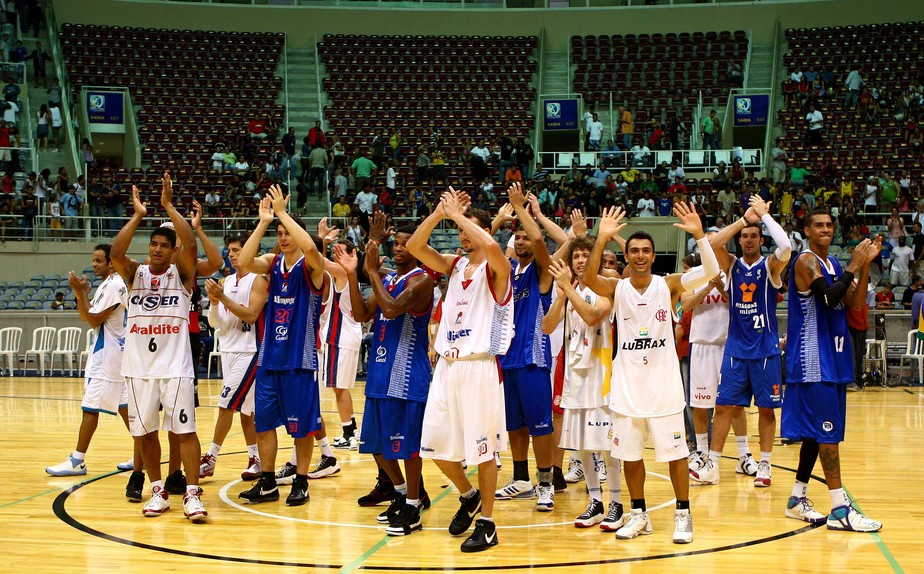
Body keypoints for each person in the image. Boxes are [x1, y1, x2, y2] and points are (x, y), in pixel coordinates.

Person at [583, 203, 720, 544]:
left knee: (675, 455)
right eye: (634, 251)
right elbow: (586, 278)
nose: (640, 256)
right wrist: (601, 238)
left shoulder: (669, 285)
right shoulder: (616, 288)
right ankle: (639, 514)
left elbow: (710, 270)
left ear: (654, 255)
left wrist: (700, 234)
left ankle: (683, 514)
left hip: (664, 389)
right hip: (628, 389)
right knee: (630, 456)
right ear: (626, 256)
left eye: (645, 251)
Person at [407, 188, 514, 552]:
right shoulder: (454, 266)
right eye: (461, 231)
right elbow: (416, 248)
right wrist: (440, 214)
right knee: (433, 447)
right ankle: (468, 496)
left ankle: (487, 522)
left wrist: (461, 217)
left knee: (484, 452)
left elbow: (496, 249)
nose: (463, 235)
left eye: (470, 230)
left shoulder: (498, 269)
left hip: (479, 366)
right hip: (448, 367)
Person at [110, 174, 207, 522]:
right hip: (138, 369)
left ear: (172, 250)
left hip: (175, 368)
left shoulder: (181, 276)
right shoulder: (134, 274)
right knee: (146, 432)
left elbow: (192, 248)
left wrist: (168, 205)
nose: (156, 249)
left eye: (164, 245)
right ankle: (157, 490)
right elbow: (116, 252)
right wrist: (137, 216)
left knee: (185, 431)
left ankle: (192, 495)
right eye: (153, 244)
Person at [336, 212, 435, 536]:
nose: (400, 248)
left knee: (406, 447)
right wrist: (354, 275)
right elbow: (362, 312)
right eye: (398, 244)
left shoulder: (422, 281)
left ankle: (413, 503)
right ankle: (405, 492)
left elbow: (390, 308)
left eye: (407, 244)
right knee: (377, 446)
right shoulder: (388, 277)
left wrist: (371, 271)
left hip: (407, 374)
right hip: (380, 373)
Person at [783, 209, 882, 532]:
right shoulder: (805, 262)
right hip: (813, 361)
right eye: (819, 225)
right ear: (807, 230)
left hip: (832, 357)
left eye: (829, 225)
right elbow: (828, 299)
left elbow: (852, 303)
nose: (825, 229)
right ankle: (840, 508)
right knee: (827, 435)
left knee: (817, 434)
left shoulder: (833, 265)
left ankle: (797, 498)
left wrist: (863, 264)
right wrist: (854, 264)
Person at [235, 185, 328, 508]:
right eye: (280, 232)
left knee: (301, 428)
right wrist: (264, 223)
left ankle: (301, 481)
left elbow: (314, 252)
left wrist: (285, 214)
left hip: (299, 360)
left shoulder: (311, 268)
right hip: (269, 358)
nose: (284, 236)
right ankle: (268, 481)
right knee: (264, 425)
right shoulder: (273, 263)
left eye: (287, 232)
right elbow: (244, 263)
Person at [690, 196, 791, 488]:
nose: (748, 240)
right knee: (723, 407)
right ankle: (713, 465)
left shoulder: (771, 266)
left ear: (761, 240)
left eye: (753, 236)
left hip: (764, 348)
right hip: (734, 349)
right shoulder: (731, 265)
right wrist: (745, 219)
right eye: (744, 236)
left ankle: (765, 464)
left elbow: (785, 247)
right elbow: (711, 244)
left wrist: (764, 217)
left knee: (766, 409)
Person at [45, 245, 143, 501]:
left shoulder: (112, 285)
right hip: (118, 354)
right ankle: (139, 453)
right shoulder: (111, 284)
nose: (95, 264)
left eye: (100, 260)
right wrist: (82, 296)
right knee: (124, 406)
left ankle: (77, 460)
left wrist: (80, 293)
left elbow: (93, 320)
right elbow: (85, 314)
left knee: (90, 408)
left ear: (112, 263)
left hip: (107, 357)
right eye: (94, 260)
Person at [542, 234, 626, 531]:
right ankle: (595, 501)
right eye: (575, 256)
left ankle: (616, 502)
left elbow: (592, 316)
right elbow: (546, 326)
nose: (579, 261)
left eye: (584, 256)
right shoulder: (568, 289)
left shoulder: (606, 288)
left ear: (596, 260)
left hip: (602, 378)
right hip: (575, 379)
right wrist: (563, 293)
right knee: (583, 447)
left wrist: (566, 288)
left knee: (606, 447)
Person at [492, 183, 557, 512]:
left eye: (525, 237)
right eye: (516, 238)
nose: (521, 241)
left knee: (540, 425)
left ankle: (545, 482)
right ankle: (521, 479)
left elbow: (543, 244)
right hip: (506, 360)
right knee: (514, 426)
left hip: (533, 359)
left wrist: (520, 209)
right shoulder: (508, 273)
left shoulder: (541, 272)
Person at [198, 236, 269, 482]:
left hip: (250, 351)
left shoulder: (259, 280)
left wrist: (224, 298)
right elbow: (215, 322)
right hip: (228, 349)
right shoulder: (225, 281)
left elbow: (250, 316)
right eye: (229, 250)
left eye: (237, 250)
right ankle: (255, 459)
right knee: (245, 411)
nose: (232, 254)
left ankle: (211, 458)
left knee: (226, 403)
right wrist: (215, 302)